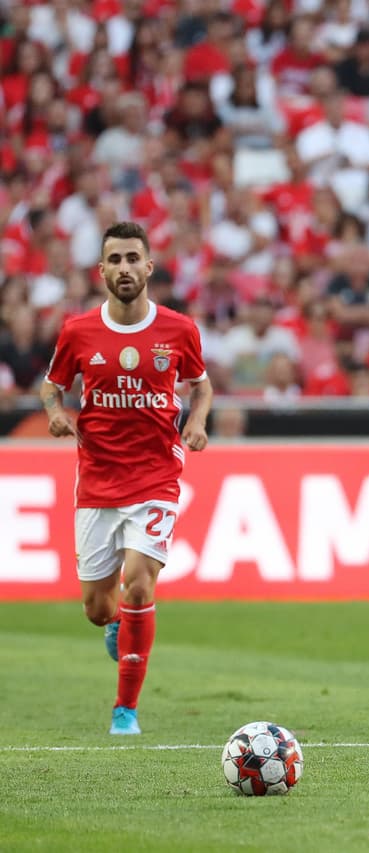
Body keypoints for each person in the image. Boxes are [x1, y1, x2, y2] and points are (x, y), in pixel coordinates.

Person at [40, 221, 212, 735]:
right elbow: (51, 386)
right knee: (98, 608)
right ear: (101, 271)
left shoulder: (179, 330)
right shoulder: (78, 331)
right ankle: (116, 624)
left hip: (157, 475)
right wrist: (55, 412)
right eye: (114, 260)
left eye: (133, 258)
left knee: (138, 584)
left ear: (149, 266)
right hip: (97, 479)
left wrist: (197, 423)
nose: (124, 268)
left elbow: (200, 386)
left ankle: (125, 710)